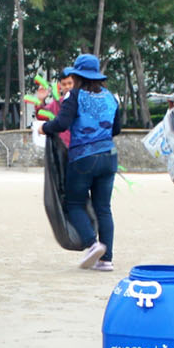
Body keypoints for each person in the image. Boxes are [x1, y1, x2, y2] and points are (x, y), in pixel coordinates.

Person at [43, 53, 121, 270]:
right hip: (109, 156)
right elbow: (116, 129)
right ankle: (107, 260)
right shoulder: (111, 97)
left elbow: (61, 123)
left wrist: (44, 128)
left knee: (74, 203)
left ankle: (91, 243)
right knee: (103, 208)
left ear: (77, 76)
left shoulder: (74, 96)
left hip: (83, 158)